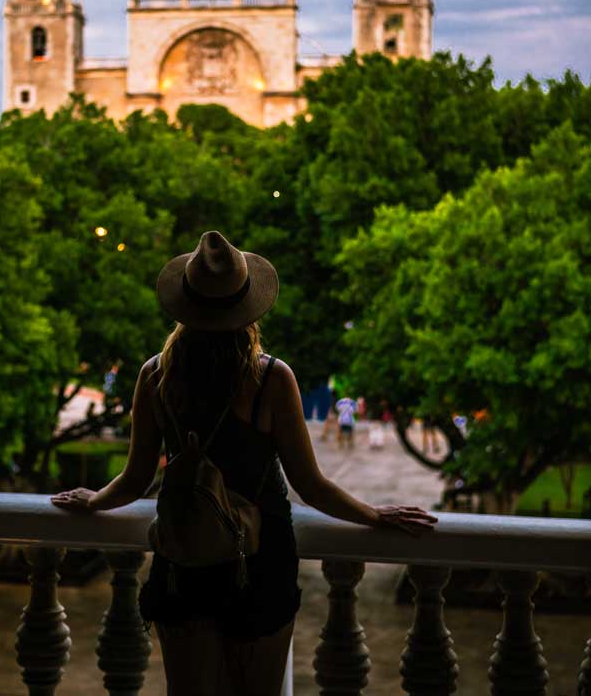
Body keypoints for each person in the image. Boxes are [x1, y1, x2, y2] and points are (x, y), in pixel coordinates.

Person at [52, 231, 437, 696]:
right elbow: (310, 485)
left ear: (184, 306)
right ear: (247, 307)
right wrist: (376, 515)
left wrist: (95, 501)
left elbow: (136, 479)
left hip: (184, 555)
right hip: (260, 561)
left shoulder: (156, 375)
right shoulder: (271, 378)